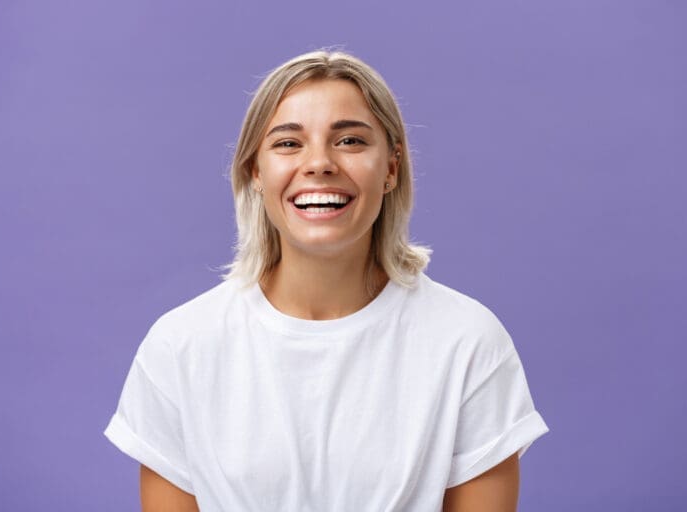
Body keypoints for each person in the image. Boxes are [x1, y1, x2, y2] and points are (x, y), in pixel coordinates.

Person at [104, 50, 549, 511]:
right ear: (255, 171)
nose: (319, 163)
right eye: (288, 144)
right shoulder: (181, 346)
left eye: (351, 141)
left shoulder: (468, 342)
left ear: (391, 169)